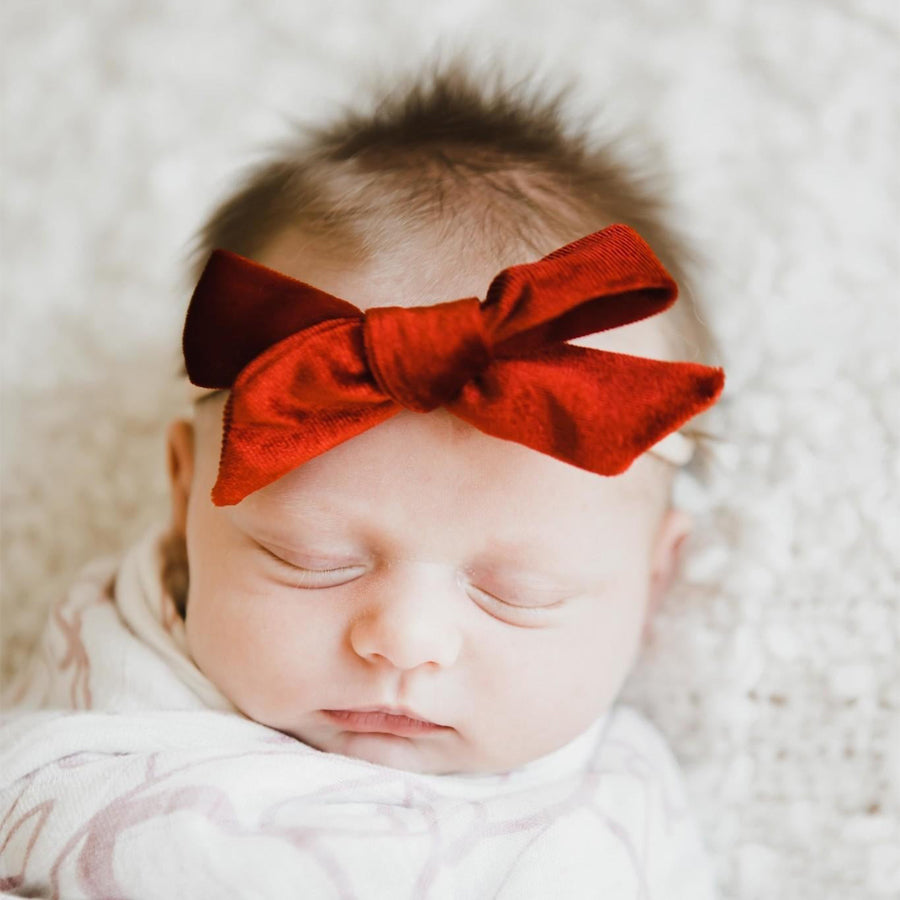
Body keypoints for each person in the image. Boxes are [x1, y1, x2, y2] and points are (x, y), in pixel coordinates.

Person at [0, 64, 723, 898]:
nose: (404, 639)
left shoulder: (617, 820)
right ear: (181, 494)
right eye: (312, 558)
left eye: (518, 592)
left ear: (655, 575)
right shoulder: (93, 733)